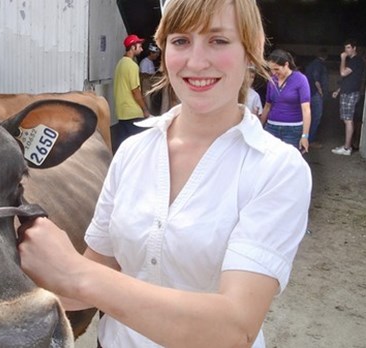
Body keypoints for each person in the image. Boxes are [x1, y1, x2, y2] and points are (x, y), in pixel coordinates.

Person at [18, 0, 312, 347]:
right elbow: (88, 283)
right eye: (181, 41)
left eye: (218, 41)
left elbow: (234, 329)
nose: (196, 61)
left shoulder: (277, 169)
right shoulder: (132, 154)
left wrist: (75, 272)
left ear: (251, 50)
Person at [260, 49, 311, 154]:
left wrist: (305, 135)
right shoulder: (272, 80)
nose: (273, 73)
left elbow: (306, 110)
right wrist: (260, 126)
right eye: (271, 70)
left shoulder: (300, 79)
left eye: (276, 69)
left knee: (289, 162)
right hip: (271, 127)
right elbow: (267, 106)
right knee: (269, 160)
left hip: (293, 129)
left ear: (286, 65)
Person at [112, 34, 150, 153]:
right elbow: (136, 91)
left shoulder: (120, 64)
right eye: (139, 46)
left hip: (122, 112)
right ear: (133, 47)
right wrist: (145, 109)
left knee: (123, 148)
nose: (142, 49)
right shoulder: (132, 66)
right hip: (133, 113)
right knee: (140, 149)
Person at [331, 39, 364, 156]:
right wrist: (338, 91)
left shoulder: (356, 61)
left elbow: (343, 73)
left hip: (351, 94)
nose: (346, 51)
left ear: (354, 48)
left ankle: (346, 148)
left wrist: (343, 59)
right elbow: (347, 79)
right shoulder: (352, 61)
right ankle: (347, 145)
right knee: (347, 120)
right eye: (345, 48)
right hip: (347, 92)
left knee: (348, 120)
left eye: (349, 48)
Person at [304, 47, 329, 148]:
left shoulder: (311, 64)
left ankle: (305, 137)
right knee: (316, 117)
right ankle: (311, 140)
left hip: (308, 93)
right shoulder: (319, 65)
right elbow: (316, 79)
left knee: (307, 116)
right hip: (315, 94)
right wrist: (321, 92)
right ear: (325, 56)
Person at [140, 42, 162, 115]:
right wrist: (153, 76)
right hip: (146, 88)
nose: (157, 55)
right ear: (151, 53)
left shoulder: (151, 62)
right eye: (156, 53)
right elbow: (142, 75)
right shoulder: (144, 62)